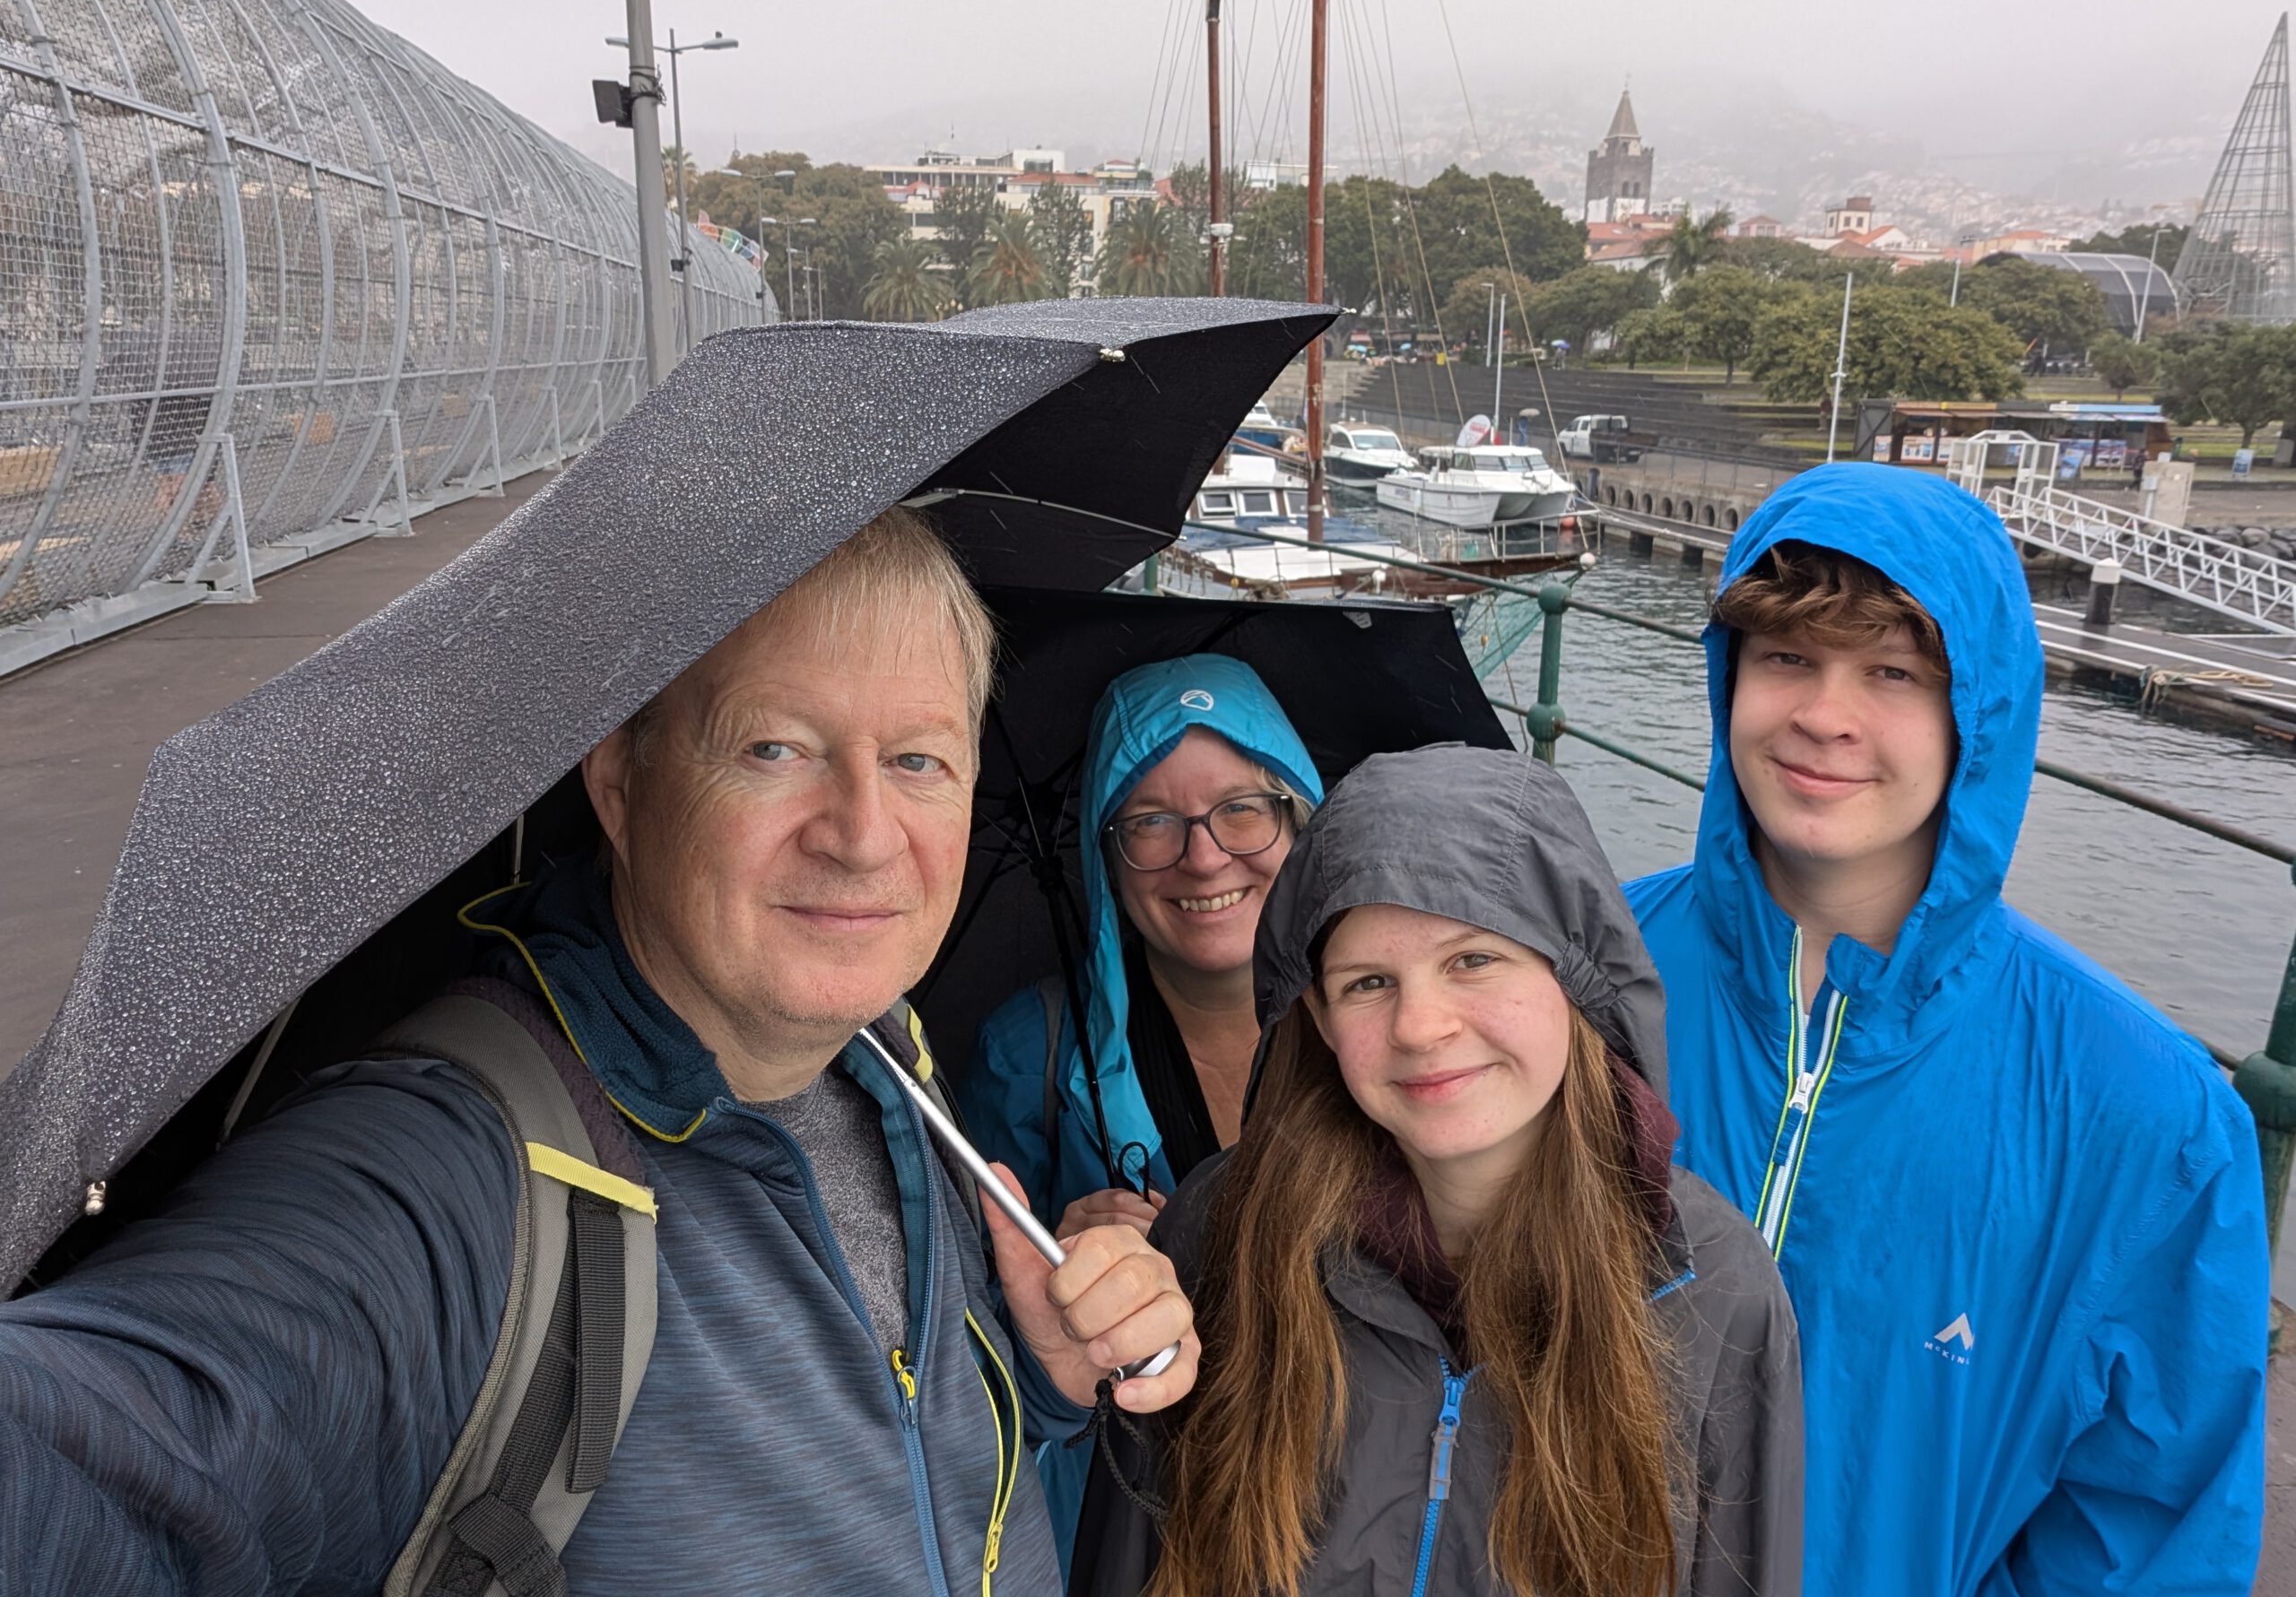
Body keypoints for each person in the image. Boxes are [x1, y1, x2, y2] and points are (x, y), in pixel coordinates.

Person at [0, 508, 1198, 1594]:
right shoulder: (452, 1174)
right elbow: (109, 1455)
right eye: (774, 748)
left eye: (917, 760)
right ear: (621, 785)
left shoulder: (886, 1058)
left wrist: (1032, 1379)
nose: (863, 834)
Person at [1625, 461, 2268, 1594]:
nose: (1824, 716)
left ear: (1979, 711)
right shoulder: (1585, 974)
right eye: (1785, 658)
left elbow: (2146, 1531)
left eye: (1892, 673)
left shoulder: (2145, 1114)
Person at [1075, 745, 1803, 1597]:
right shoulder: (1220, 1230)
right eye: (1368, 982)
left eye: (1473, 961)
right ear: (1318, 1015)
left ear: (1575, 975)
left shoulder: (1711, 1286)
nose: (1421, 1026)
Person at [961, 653, 1320, 1569]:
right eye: (1150, 822)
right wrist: (1052, 1265)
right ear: (1105, 856)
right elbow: (965, 1348)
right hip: (1124, 1529)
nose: (1203, 856)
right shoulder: (1030, 1054)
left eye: (1243, 809)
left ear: (1300, 822)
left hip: (1334, 1512)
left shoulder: (1376, 1035)